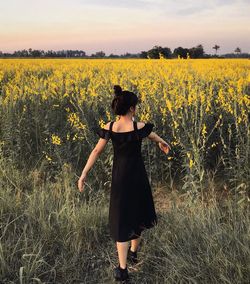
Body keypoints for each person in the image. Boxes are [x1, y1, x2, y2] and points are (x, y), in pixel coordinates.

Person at [78, 85, 171, 282]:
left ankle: (122, 269)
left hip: (120, 179)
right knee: (137, 214)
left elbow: (96, 152)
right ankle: (134, 253)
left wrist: (84, 173)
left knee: (122, 220)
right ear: (132, 109)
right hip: (138, 177)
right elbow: (152, 135)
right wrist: (162, 142)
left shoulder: (110, 127)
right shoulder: (139, 127)